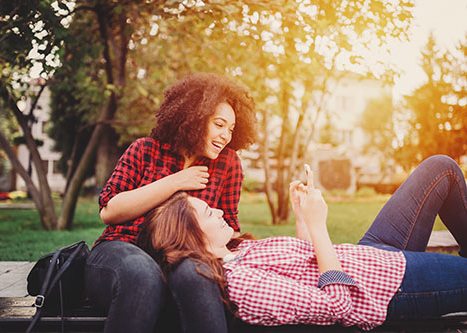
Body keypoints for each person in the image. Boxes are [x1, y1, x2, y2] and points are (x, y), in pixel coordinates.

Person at [138, 155, 467, 331]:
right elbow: (338, 306)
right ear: (192, 239)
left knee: (441, 169)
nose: (221, 211)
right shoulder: (242, 285)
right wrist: (317, 224)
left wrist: (300, 218)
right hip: (389, 286)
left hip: (368, 255)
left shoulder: (235, 252)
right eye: (210, 213)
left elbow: (304, 269)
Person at [84, 72, 257, 332]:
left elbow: (230, 226)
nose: (226, 136)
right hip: (122, 248)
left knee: (196, 274)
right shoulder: (145, 150)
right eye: (219, 124)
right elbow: (109, 211)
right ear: (194, 118)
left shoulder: (227, 164)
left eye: (231, 129)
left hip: (184, 258)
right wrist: (176, 182)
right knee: (141, 272)